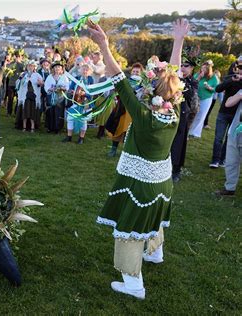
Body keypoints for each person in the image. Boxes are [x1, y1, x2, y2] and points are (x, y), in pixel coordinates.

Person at [89, 18, 189, 300]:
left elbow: (119, 78)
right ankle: (155, 252)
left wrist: (104, 46)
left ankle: (133, 284)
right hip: (162, 183)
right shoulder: (174, 113)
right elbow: (174, 75)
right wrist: (178, 41)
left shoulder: (144, 116)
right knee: (154, 218)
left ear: (152, 93)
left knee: (128, 230)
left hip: (139, 185)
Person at [170, 57, 199, 182]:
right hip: (168, 110)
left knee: (179, 142)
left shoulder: (193, 81)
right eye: (181, 65)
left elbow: (190, 95)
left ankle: (176, 170)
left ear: (192, 68)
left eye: (186, 65)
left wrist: (181, 79)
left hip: (182, 114)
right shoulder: (172, 76)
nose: (182, 68)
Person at [210, 61, 242, 168]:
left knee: (229, 139)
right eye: (238, 67)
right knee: (218, 138)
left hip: (236, 116)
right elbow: (218, 89)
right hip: (223, 113)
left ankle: (222, 159)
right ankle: (215, 160)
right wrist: (231, 80)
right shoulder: (230, 78)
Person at [215, 90, 241, 196]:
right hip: (235, 131)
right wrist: (239, 95)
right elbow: (228, 103)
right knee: (231, 161)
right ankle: (230, 188)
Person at [62, 63, 93, 144]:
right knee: (70, 118)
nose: (85, 71)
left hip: (86, 104)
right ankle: (69, 137)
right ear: (80, 70)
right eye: (83, 69)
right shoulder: (76, 78)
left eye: (87, 70)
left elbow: (92, 92)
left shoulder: (90, 80)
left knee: (83, 120)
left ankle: (81, 138)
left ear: (89, 71)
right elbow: (71, 88)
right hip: (75, 102)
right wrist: (72, 91)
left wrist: (84, 94)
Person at [188, 60, 219, 138]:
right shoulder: (197, 74)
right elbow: (193, 83)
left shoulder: (213, 77)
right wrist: (199, 77)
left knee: (201, 115)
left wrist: (210, 88)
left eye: (205, 69)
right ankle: (188, 130)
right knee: (192, 114)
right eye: (202, 68)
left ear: (209, 70)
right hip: (195, 97)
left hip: (206, 98)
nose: (203, 70)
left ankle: (195, 133)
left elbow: (217, 88)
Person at [15, 60, 43, 132]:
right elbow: (17, 83)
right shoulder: (24, 74)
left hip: (33, 97)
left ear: (34, 67)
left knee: (32, 112)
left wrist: (40, 83)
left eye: (32, 66)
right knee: (25, 111)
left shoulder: (37, 75)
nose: (30, 67)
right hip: (24, 96)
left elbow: (41, 84)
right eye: (29, 66)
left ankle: (32, 127)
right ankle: (24, 126)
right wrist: (21, 80)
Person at [44, 61, 69, 133]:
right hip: (51, 96)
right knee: (50, 111)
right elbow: (46, 86)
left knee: (59, 112)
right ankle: (50, 127)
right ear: (53, 69)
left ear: (61, 69)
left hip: (60, 97)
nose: (57, 68)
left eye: (59, 67)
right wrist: (50, 89)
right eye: (56, 67)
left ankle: (58, 128)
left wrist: (62, 88)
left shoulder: (64, 77)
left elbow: (67, 86)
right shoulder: (49, 77)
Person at [5, 51, 25, 116]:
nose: (17, 58)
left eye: (18, 56)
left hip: (19, 84)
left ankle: (16, 112)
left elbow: (24, 70)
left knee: (18, 99)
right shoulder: (11, 64)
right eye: (16, 56)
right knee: (10, 98)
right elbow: (7, 69)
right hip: (11, 84)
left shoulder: (22, 64)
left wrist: (18, 62)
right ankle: (9, 112)